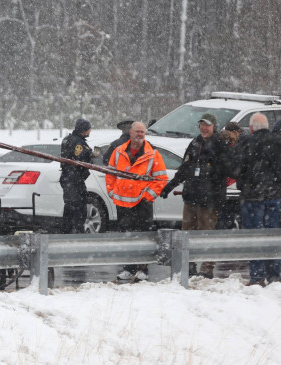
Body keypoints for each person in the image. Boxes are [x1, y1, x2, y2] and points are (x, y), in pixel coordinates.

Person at [159, 113, 232, 278]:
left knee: (207, 235)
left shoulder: (220, 145)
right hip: (191, 197)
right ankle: (189, 266)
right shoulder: (195, 143)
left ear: (214, 126)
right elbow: (184, 168)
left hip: (210, 200)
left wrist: (213, 169)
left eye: (207, 125)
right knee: (187, 234)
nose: (204, 128)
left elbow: (228, 170)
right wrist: (169, 186)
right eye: (201, 125)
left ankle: (206, 270)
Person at [106, 121, 168, 281]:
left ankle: (142, 269)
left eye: (142, 132)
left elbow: (161, 178)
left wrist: (147, 196)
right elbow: (110, 173)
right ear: (130, 133)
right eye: (137, 132)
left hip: (142, 204)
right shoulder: (119, 151)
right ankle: (128, 268)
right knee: (126, 237)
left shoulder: (153, 154)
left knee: (143, 236)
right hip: (123, 204)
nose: (140, 134)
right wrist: (112, 191)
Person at [232, 113, 281, 286]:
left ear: (252, 128)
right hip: (274, 196)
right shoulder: (278, 143)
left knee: (254, 236)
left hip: (252, 198)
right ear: (267, 126)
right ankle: (275, 274)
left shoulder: (246, 143)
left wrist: (245, 184)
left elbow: (235, 170)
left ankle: (257, 276)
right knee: (274, 234)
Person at [60, 118, 93, 234]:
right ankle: (76, 232)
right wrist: (90, 154)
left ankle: (66, 231)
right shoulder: (79, 143)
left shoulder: (67, 139)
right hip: (75, 179)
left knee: (69, 206)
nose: (90, 131)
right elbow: (79, 159)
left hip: (67, 178)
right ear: (84, 129)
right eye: (88, 128)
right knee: (79, 207)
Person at [215, 122, 244, 230]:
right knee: (230, 217)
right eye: (237, 132)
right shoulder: (235, 146)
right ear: (233, 133)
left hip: (222, 187)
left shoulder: (217, 144)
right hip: (232, 186)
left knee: (222, 218)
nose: (238, 134)